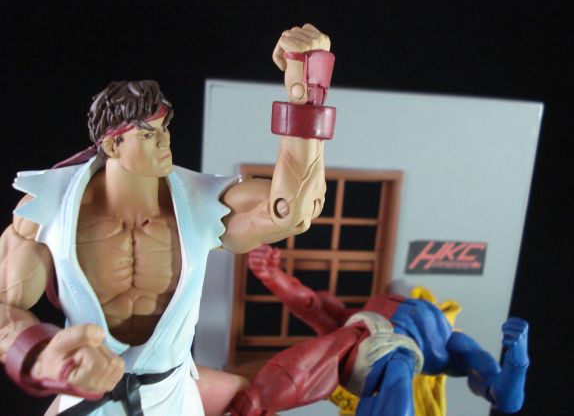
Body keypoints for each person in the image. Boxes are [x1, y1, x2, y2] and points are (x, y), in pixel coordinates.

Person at [0, 24, 336, 416]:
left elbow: (292, 210)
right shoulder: (47, 209)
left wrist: (307, 92)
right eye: (148, 135)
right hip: (85, 397)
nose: (164, 142)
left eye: (164, 129)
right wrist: (42, 354)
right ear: (112, 145)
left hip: (173, 395)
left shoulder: (201, 202)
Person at [230, 245, 530, 416]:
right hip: (363, 339)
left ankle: (260, 399)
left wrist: (517, 366)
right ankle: (259, 399)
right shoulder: (358, 315)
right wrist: (272, 276)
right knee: (336, 344)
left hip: (396, 355)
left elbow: (502, 397)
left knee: (395, 370)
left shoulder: (451, 343)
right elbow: (311, 304)